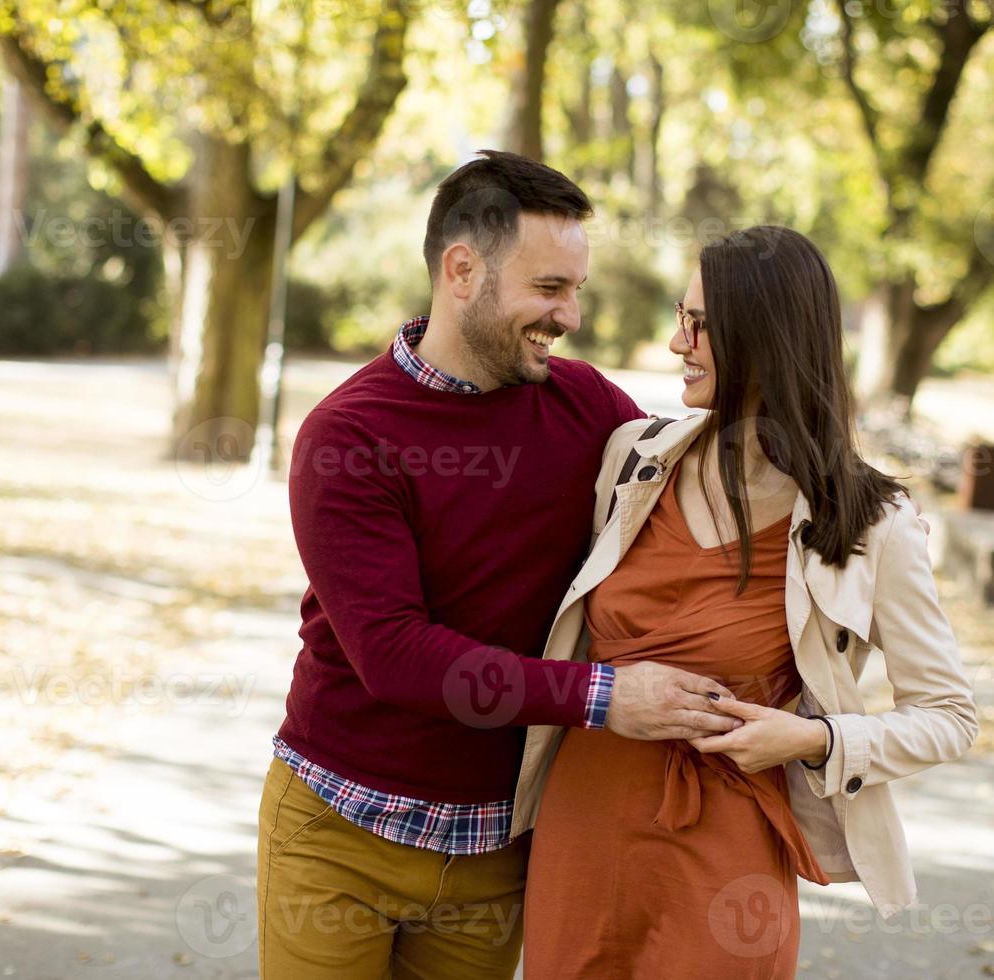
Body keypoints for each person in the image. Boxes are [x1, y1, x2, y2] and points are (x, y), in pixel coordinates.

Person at [256, 150, 743, 980]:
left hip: (499, 847)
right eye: (551, 289)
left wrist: (850, 500)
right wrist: (604, 697)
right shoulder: (348, 436)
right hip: (340, 835)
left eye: (577, 290)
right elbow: (395, 654)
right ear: (461, 270)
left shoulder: (588, 407)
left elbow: (711, 483)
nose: (572, 314)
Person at [517, 225, 979, 978]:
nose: (676, 343)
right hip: (584, 826)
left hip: (726, 858)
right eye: (680, 316)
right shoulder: (631, 459)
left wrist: (813, 740)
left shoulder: (870, 523)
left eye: (701, 326)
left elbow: (950, 718)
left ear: (768, 338)